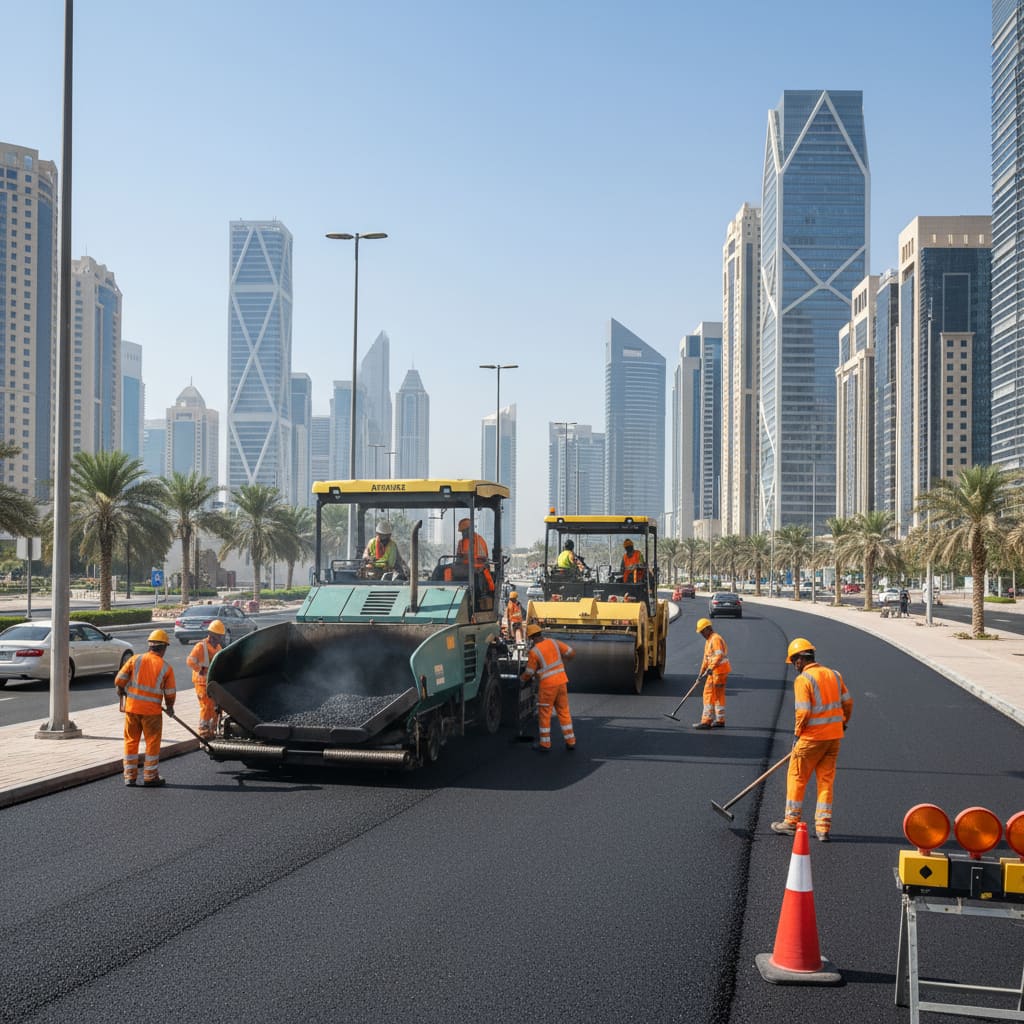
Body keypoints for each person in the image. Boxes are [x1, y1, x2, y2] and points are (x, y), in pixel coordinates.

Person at [771, 637, 853, 842]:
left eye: (794, 662)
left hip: (811, 739)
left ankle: (791, 821)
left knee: (797, 776)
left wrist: (797, 735)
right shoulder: (834, 675)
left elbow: (804, 712)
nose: (794, 666)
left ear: (800, 659)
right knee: (826, 780)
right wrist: (843, 723)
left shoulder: (803, 679)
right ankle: (823, 828)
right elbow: (848, 702)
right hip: (833, 738)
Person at [115, 628, 177, 787]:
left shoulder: (135, 659)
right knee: (152, 742)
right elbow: (170, 693)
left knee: (131, 741)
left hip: (132, 709)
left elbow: (119, 680)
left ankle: (130, 776)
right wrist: (170, 707)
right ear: (163, 648)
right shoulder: (166, 667)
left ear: (150, 645)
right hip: (152, 713)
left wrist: (121, 689)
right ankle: (150, 776)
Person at [520, 622, 576, 752]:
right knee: (564, 712)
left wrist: (521, 680)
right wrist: (562, 663)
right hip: (562, 682)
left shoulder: (534, 652)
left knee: (545, 714)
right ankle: (570, 741)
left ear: (532, 638)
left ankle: (545, 744)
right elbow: (571, 652)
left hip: (548, 686)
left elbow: (529, 672)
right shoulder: (554, 642)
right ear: (541, 634)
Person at [186, 618, 226, 738]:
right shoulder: (200, 646)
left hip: (212, 683)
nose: (219, 639)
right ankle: (203, 732)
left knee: (215, 707)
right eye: (217, 636)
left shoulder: (218, 648)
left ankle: (212, 731)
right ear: (211, 635)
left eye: (220, 636)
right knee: (206, 707)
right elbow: (190, 661)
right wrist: (200, 669)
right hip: (201, 683)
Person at [693, 617, 730, 729]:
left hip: (717, 672)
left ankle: (706, 721)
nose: (701, 634)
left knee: (708, 694)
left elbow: (719, 655)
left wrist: (710, 668)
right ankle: (720, 720)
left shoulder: (715, 639)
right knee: (718, 695)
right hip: (718, 671)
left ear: (708, 629)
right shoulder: (709, 640)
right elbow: (706, 659)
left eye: (702, 631)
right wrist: (701, 673)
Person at [455, 517, 494, 591]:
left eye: (463, 531)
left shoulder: (479, 541)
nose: (462, 534)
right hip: (464, 568)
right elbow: (458, 558)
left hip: (476, 569)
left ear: (469, 529)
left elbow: (483, 560)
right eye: (461, 532)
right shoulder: (461, 542)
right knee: (445, 569)